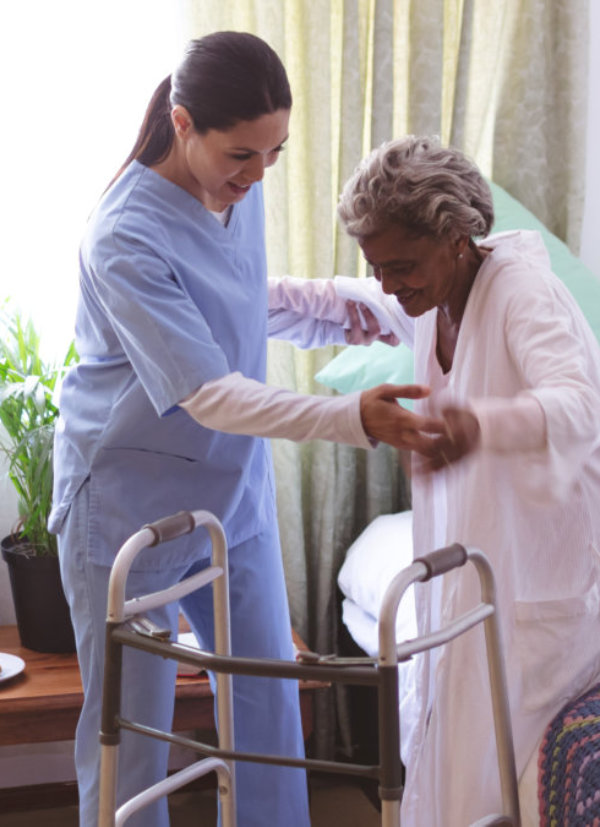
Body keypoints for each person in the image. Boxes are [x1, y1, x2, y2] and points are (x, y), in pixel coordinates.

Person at [49, 34, 442, 827]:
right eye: (242, 155)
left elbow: (232, 297)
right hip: (131, 505)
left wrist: (337, 304)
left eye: (274, 154)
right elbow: (208, 392)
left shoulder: (233, 181)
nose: (259, 174)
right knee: (134, 737)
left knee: (267, 704)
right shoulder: (122, 235)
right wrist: (351, 418)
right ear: (182, 122)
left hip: (233, 491)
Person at [272, 135, 600, 825]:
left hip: (537, 593)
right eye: (378, 266)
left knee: (499, 789)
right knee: (446, 771)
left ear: (456, 237)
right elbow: (336, 303)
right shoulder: (432, 297)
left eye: (401, 265)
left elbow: (581, 405)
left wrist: (475, 425)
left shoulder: (522, 292)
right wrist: (216, 289)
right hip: (467, 588)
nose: (390, 284)